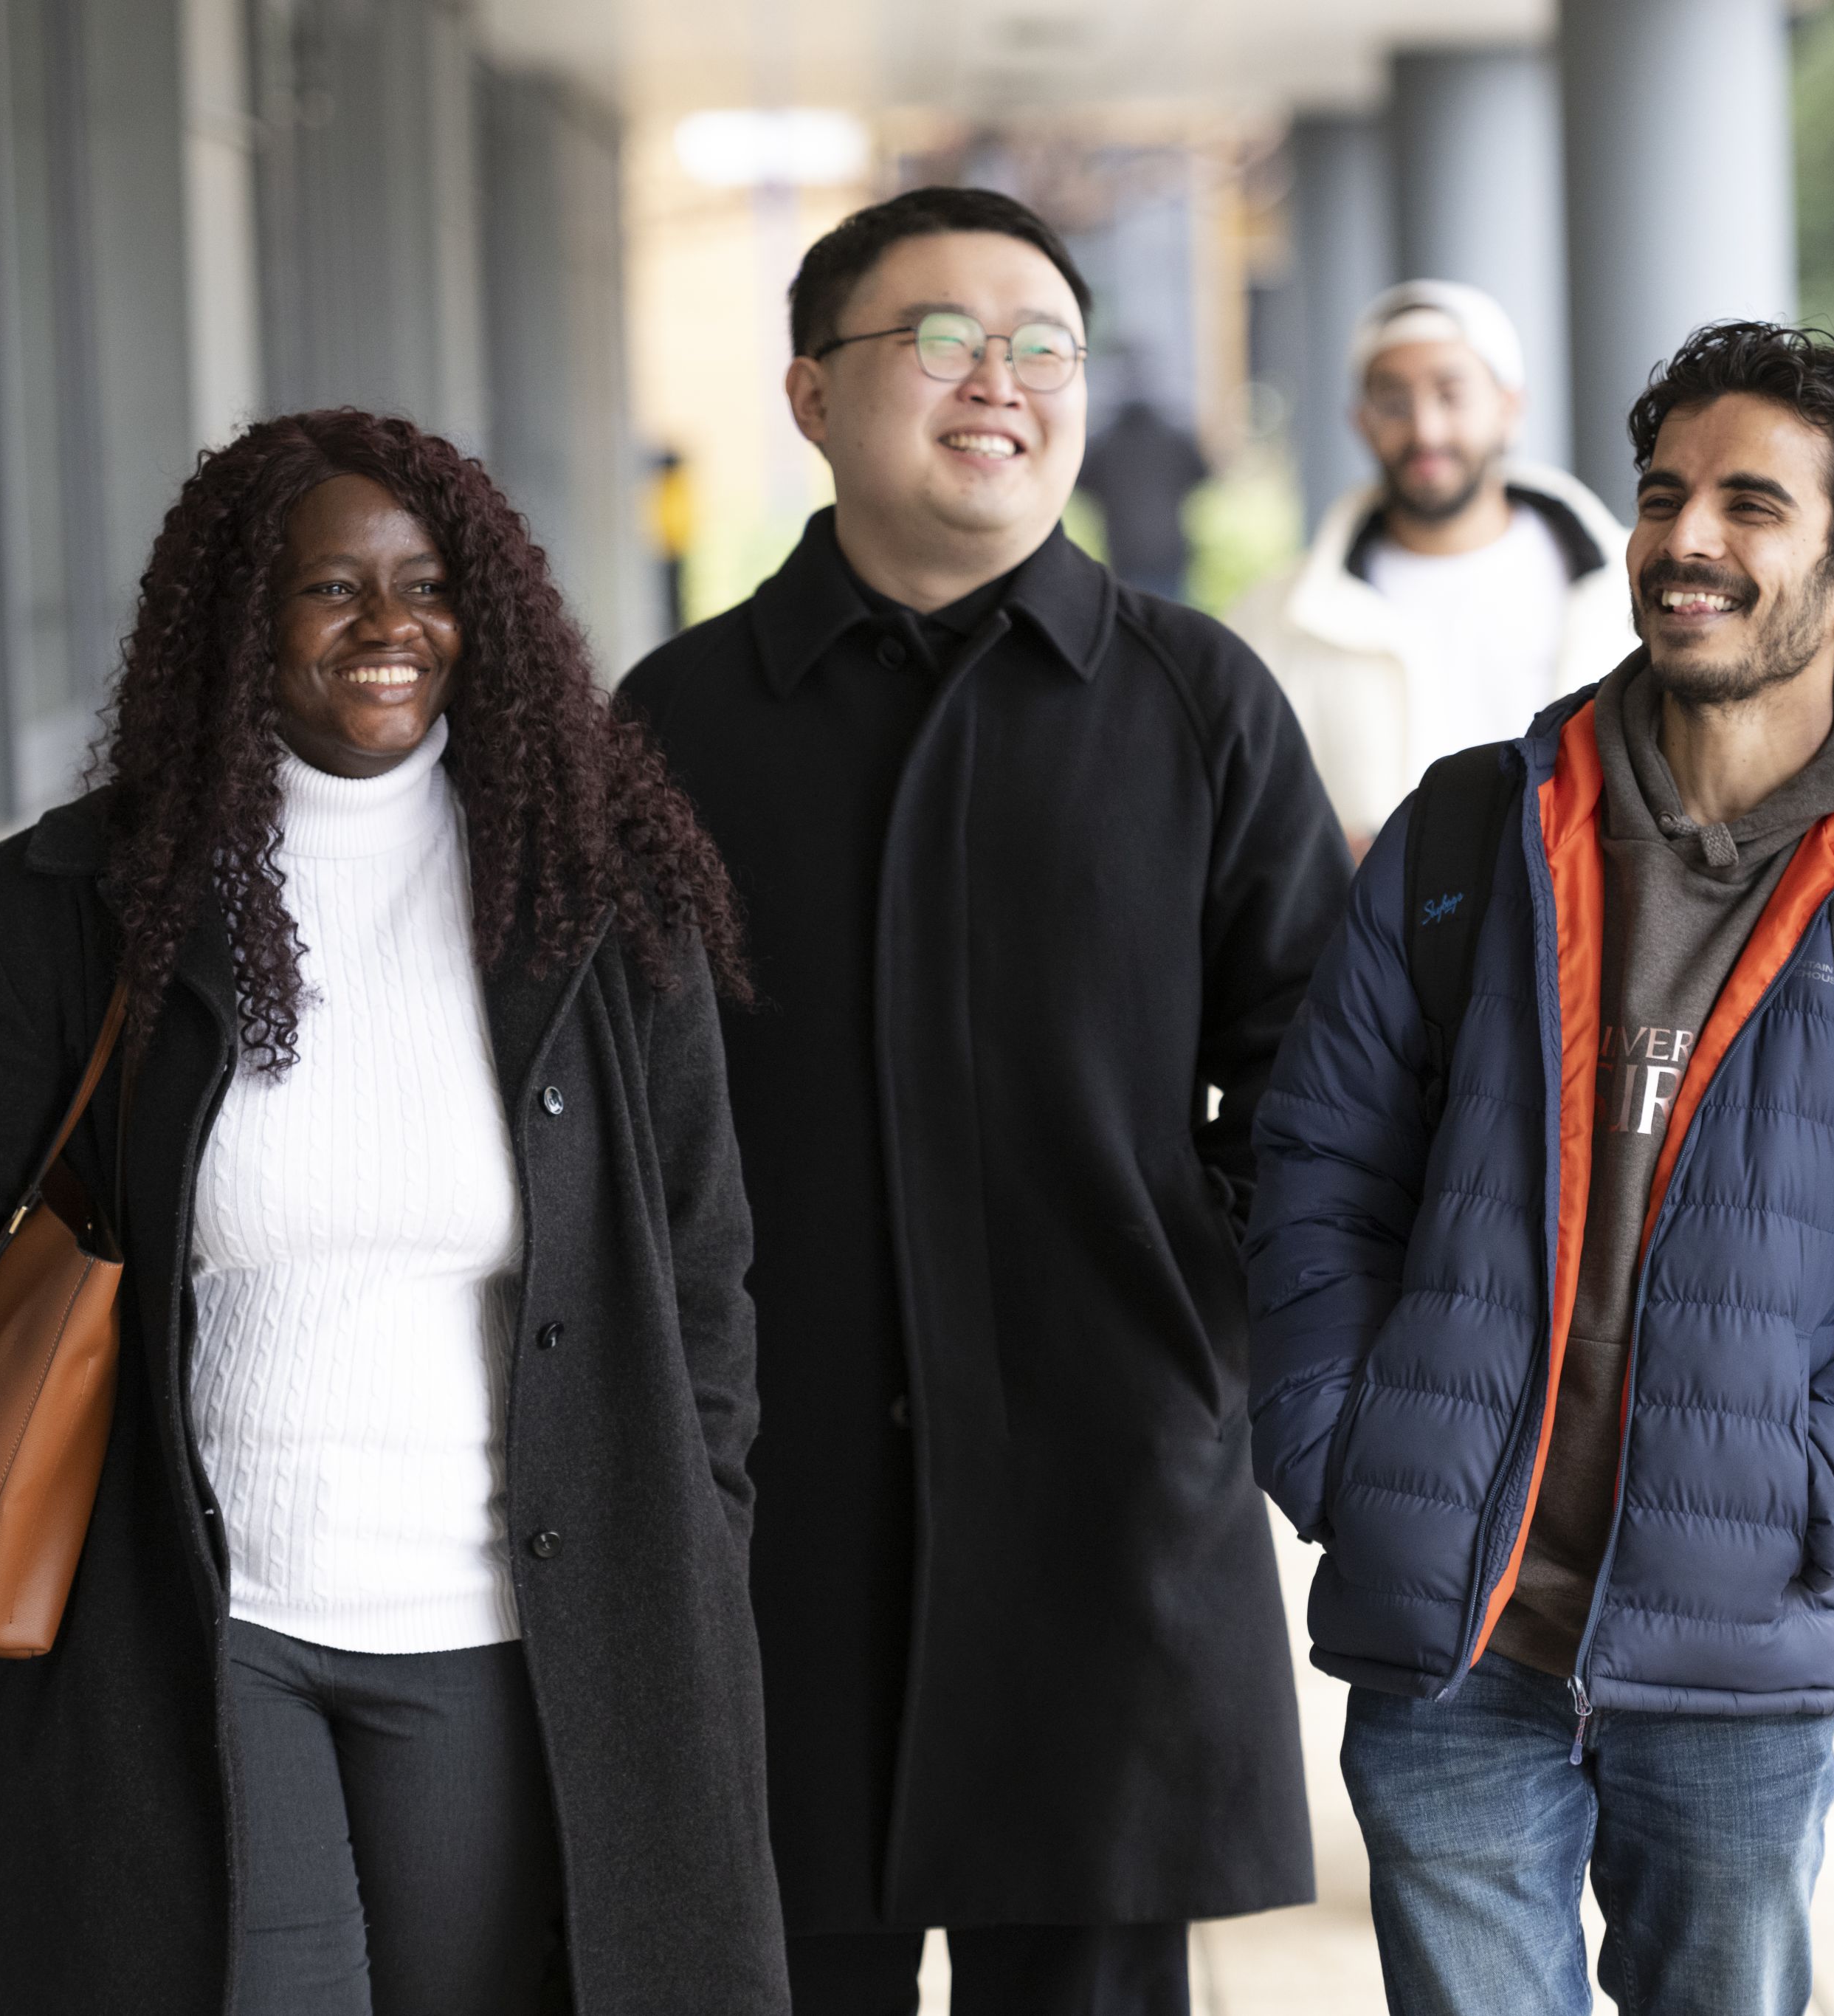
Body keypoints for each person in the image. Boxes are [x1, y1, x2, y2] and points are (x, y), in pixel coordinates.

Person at [0, 410, 786, 2015]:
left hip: (506, 1627)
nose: (387, 631)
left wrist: (694, 1538)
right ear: (236, 620)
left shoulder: (600, 900)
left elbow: (701, 1264)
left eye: (425, 588)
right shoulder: (83, 903)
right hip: (198, 1633)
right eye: (329, 590)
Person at [1247, 323, 1834, 2016]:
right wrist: (1344, 1446)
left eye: (1747, 504)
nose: (1683, 537)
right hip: (1453, 1624)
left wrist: (1814, 1491)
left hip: (1740, 1643)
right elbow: (1317, 1167)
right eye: (1661, 493)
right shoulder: (1471, 834)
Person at [617, 186, 1338, 2015]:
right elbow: (602, 1119)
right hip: (772, 1536)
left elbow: (1321, 1087)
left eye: (1042, 346)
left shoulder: (1197, 704)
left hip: (1106, 1518)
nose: (997, 381)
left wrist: (1203, 1336)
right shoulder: (675, 725)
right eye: (939, 338)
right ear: (809, 393)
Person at [1231, 280, 1633, 847]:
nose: (1426, 430)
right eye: (1394, 402)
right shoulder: (1273, 620)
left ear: (1509, 407)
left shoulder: (1624, 589)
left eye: (1451, 395)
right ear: (1361, 422)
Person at [1079, 389, 1211, 600]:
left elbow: (1082, 480)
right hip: (1168, 547)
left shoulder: (1107, 443)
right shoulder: (1173, 439)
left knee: (1132, 616)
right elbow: (1203, 473)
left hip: (1125, 548)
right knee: (1170, 617)